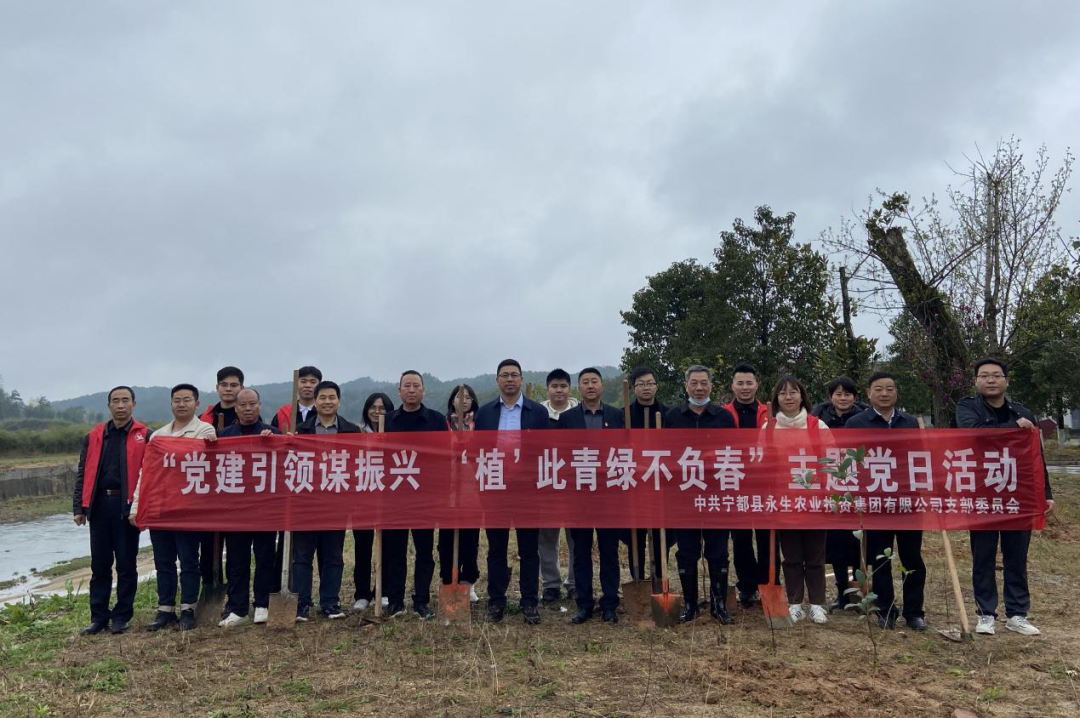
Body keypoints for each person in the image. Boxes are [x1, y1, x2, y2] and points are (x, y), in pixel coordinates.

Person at [957, 357, 1054, 637]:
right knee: (983, 556)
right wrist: (1013, 428)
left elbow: (1036, 456)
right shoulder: (967, 407)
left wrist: (1045, 493)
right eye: (984, 375)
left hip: (1017, 494)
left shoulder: (1023, 412)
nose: (991, 380)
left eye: (996, 375)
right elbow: (974, 434)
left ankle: (1017, 614)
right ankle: (985, 614)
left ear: (1006, 381)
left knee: (1016, 556)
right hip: (982, 493)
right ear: (976, 381)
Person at [845, 372, 926, 630]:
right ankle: (885, 611)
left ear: (896, 393)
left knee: (912, 558)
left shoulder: (910, 422)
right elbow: (849, 461)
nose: (884, 393)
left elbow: (920, 458)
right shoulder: (856, 423)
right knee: (880, 559)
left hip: (907, 501)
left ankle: (914, 612)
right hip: (875, 501)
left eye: (889, 389)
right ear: (868, 393)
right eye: (878, 389)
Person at [132, 384, 216, 632]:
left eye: (186, 400)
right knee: (163, 562)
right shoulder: (157, 436)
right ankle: (165, 609)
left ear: (196, 404)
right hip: (160, 507)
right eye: (177, 400)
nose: (181, 404)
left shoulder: (205, 430)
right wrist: (136, 506)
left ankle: (188, 608)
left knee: (189, 561)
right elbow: (146, 474)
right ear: (170, 404)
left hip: (188, 509)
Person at [473, 359, 550, 624]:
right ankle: (496, 601)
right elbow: (478, 450)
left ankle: (529, 602)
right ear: (497, 380)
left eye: (514, 375)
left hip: (528, 489)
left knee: (529, 549)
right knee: (496, 549)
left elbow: (545, 449)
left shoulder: (537, 412)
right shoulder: (485, 413)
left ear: (521, 379)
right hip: (496, 488)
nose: (509, 379)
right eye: (504, 375)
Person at [72, 386, 150, 635]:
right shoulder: (94, 436)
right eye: (115, 401)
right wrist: (79, 507)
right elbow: (83, 472)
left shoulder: (145, 435)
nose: (120, 405)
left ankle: (122, 616)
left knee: (126, 564)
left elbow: (150, 475)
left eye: (125, 400)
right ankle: (99, 617)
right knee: (100, 565)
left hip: (127, 506)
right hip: (99, 506)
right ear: (109, 406)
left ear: (133, 404)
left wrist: (142, 508)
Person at [663, 365, 738, 623]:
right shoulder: (672, 417)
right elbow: (665, 454)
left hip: (716, 495)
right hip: (684, 497)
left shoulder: (724, 417)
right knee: (686, 552)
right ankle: (690, 606)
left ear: (711, 386)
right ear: (686, 386)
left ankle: (719, 606)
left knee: (718, 552)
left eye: (703, 383)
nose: (699, 388)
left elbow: (734, 453)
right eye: (694, 383)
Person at [761, 375, 833, 625]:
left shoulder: (816, 425)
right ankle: (794, 603)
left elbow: (832, 459)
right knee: (791, 556)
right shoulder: (769, 428)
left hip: (814, 501)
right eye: (783, 393)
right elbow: (759, 463)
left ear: (802, 396)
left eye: (793, 392)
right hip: (784, 502)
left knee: (815, 556)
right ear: (776, 399)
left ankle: (817, 604)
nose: (788, 397)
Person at [558, 368, 625, 624]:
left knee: (609, 551)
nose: (590, 386)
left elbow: (625, 450)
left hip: (609, 494)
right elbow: (561, 454)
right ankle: (584, 604)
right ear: (579, 388)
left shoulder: (617, 416)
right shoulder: (567, 418)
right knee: (581, 552)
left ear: (602, 386)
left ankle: (610, 604)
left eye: (594, 381)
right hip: (579, 496)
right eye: (585, 382)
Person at [382, 371, 449, 619]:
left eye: (416, 386)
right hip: (394, 497)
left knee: (424, 552)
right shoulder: (387, 421)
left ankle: (421, 601)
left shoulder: (436, 420)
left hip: (425, 498)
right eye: (407, 386)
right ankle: (395, 601)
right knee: (395, 551)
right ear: (399, 390)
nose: (411, 390)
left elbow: (444, 458)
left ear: (424, 390)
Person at [292, 381, 359, 621]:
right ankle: (301, 603)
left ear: (339, 401)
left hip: (336, 503)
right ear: (315, 401)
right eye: (323, 397)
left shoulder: (352, 431)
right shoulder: (299, 430)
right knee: (302, 556)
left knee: (333, 555)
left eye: (332, 397)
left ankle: (330, 602)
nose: (327, 402)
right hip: (306, 502)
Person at [216, 388, 280, 626]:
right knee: (236, 559)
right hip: (235, 510)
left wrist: (276, 442)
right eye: (243, 405)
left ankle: (262, 604)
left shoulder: (272, 433)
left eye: (252, 404)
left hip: (264, 508)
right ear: (236, 408)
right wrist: (210, 444)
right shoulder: (224, 436)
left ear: (259, 405)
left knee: (265, 557)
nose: (248, 409)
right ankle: (238, 608)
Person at [722, 362, 779, 609]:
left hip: (766, 484)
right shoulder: (723, 414)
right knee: (741, 539)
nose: (745, 387)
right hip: (736, 483)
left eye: (749, 383)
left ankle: (769, 584)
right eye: (740, 383)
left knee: (768, 537)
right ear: (733, 385)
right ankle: (747, 586)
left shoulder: (770, 413)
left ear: (757, 385)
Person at [811, 375, 867, 611]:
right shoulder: (818, 416)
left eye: (848, 394)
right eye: (838, 394)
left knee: (857, 539)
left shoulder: (864, 416)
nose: (843, 398)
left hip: (858, 482)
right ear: (830, 396)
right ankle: (841, 592)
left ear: (855, 397)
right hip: (830, 482)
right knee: (835, 540)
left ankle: (859, 591)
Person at [196, 366, 244, 590]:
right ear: (217, 387)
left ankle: (234, 591)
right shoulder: (205, 418)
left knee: (235, 545)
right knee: (207, 543)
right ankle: (209, 586)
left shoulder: (247, 415)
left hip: (236, 490)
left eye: (234, 385)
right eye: (224, 385)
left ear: (241, 387)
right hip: (208, 491)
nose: (228, 389)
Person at [626, 366, 671, 590]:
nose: (646, 388)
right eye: (641, 384)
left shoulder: (669, 415)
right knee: (635, 537)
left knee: (661, 535)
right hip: (632, 486)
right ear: (633, 388)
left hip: (661, 486)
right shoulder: (623, 416)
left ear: (657, 386)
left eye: (650, 383)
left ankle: (660, 581)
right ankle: (638, 582)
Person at [351, 392, 395, 611]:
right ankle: (361, 593)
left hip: (389, 500)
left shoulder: (396, 435)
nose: (377, 412)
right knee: (362, 548)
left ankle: (383, 590)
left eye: (382, 408)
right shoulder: (357, 433)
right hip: (362, 500)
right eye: (373, 408)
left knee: (387, 547)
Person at [538, 368, 578, 603]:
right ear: (548, 389)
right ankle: (551, 584)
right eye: (554, 386)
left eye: (563, 386)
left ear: (569, 389)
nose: (559, 390)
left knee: (576, 537)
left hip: (575, 485)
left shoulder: (579, 413)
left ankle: (574, 582)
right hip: (547, 484)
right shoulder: (538, 414)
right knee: (547, 538)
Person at [441, 385, 481, 603]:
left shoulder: (480, 424)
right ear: (452, 400)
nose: (464, 400)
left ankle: (469, 582)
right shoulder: (443, 424)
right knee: (446, 541)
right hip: (447, 492)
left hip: (473, 491)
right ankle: (448, 582)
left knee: (470, 540)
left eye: (468, 397)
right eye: (459, 396)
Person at [271, 365, 321, 431]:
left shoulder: (324, 413)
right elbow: (273, 434)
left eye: (313, 382)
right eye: (303, 381)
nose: (308, 385)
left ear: (320, 385)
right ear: (296, 384)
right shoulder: (283, 414)